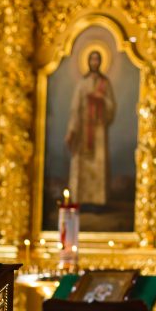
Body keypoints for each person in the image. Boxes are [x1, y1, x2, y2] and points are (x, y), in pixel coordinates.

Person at [66, 49, 116, 209]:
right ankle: (81, 200)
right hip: (83, 128)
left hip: (99, 129)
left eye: (97, 60)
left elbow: (111, 105)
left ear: (100, 62)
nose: (94, 63)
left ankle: (98, 202)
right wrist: (72, 130)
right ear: (88, 62)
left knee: (98, 165)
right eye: (92, 59)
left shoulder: (105, 83)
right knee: (82, 165)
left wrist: (101, 99)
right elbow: (75, 108)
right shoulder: (82, 83)